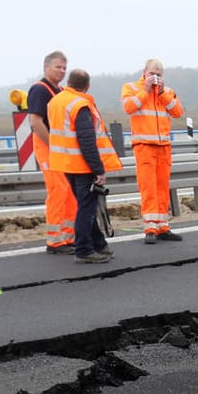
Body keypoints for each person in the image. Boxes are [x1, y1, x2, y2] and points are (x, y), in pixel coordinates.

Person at [45, 69, 122, 264]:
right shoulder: (80, 105)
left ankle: (98, 244)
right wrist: (98, 170)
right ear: (86, 86)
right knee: (87, 209)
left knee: (86, 206)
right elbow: (87, 140)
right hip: (82, 165)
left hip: (64, 163)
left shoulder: (56, 101)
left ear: (69, 82)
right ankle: (84, 250)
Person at [121, 59, 184, 243]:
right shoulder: (131, 87)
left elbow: (178, 112)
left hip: (163, 146)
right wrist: (146, 90)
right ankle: (150, 227)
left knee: (162, 188)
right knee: (148, 187)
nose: (155, 77)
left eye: (158, 75)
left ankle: (163, 227)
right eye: (152, 74)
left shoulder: (167, 91)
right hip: (144, 145)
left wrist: (162, 93)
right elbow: (129, 107)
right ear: (144, 72)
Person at [26, 51, 74, 254]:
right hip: (47, 146)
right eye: (58, 67)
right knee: (58, 190)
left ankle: (68, 236)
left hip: (60, 148)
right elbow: (35, 121)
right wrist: (53, 146)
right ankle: (54, 241)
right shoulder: (40, 89)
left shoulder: (60, 91)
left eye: (64, 68)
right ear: (46, 67)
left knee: (70, 192)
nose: (62, 71)